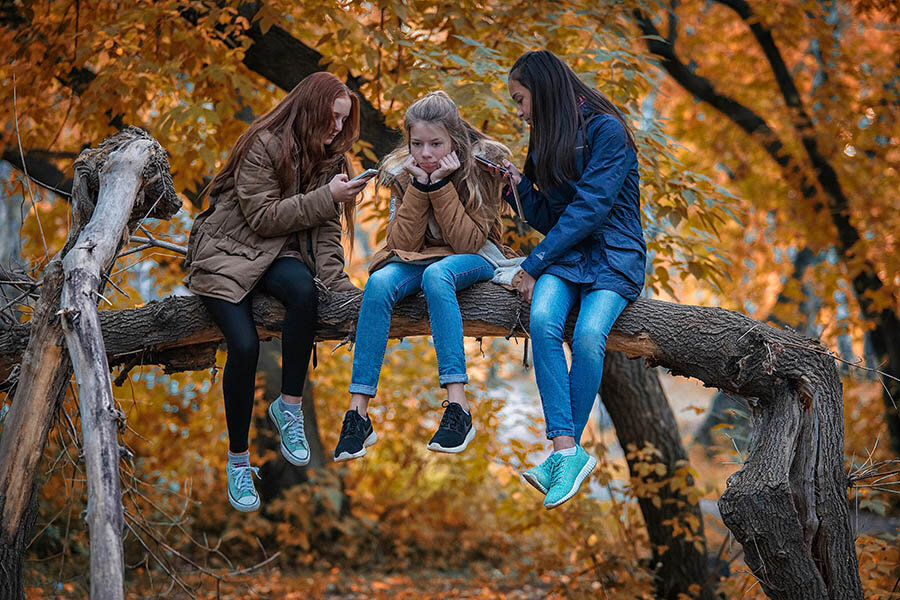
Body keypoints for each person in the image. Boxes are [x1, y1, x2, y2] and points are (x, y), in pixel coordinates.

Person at [184, 72, 370, 512]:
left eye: (345, 121)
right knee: (245, 347)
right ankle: (237, 461)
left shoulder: (331, 161)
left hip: (276, 260)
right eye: (333, 118)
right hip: (227, 254)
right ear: (312, 109)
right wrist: (327, 196)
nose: (338, 129)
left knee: (305, 292)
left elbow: (325, 234)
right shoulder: (263, 144)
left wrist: (341, 290)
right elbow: (264, 218)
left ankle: (289, 408)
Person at [494, 50, 646, 509]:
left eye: (520, 99)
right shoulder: (545, 137)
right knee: (542, 321)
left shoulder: (606, 130)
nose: (519, 111)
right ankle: (567, 452)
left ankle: (563, 454)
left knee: (588, 334)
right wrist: (515, 187)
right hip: (568, 256)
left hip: (615, 255)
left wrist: (533, 264)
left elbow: (591, 209)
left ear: (541, 88)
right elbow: (550, 213)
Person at [333, 91, 511, 462]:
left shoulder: (482, 167)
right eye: (417, 144)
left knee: (437, 275)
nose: (426, 153)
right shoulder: (404, 172)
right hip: (418, 255)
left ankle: (458, 406)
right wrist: (419, 187)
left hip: (475, 257)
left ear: (454, 142)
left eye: (435, 144)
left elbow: (469, 241)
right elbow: (400, 242)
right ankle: (357, 414)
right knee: (379, 283)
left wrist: (441, 186)